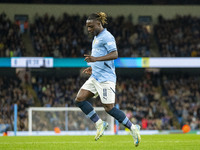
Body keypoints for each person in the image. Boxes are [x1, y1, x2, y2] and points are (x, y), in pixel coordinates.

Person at [75, 12, 141, 147]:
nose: (89, 30)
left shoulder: (107, 36)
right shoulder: (96, 37)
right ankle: (99, 123)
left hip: (106, 79)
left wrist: (95, 60)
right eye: (87, 27)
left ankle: (133, 128)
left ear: (99, 24)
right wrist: (93, 67)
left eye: (91, 26)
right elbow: (100, 55)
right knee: (79, 99)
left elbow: (115, 54)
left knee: (109, 108)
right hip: (95, 76)